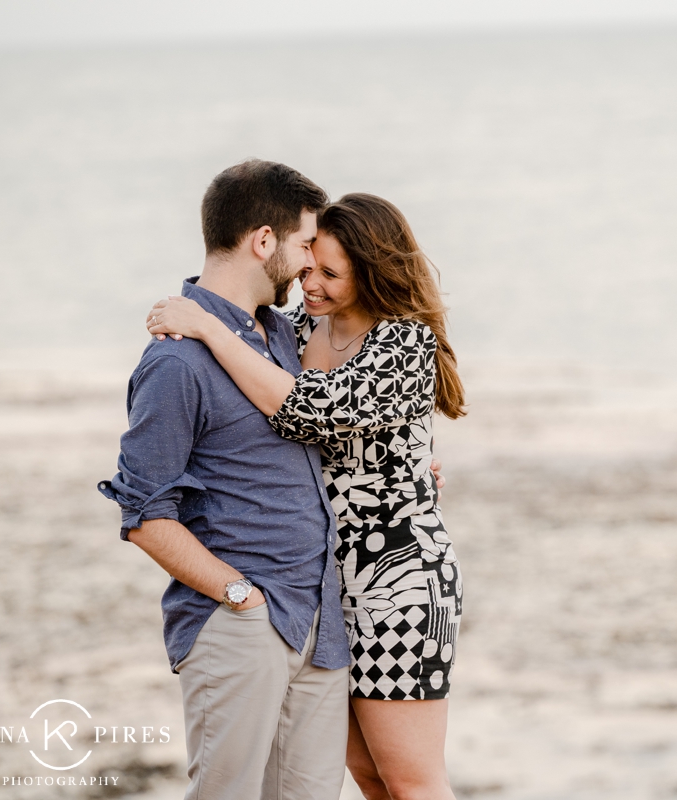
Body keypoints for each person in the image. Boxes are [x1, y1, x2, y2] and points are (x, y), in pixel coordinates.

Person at [146, 192, 465, 800]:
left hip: (397, 581)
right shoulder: (293, 331)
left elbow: (305, 410)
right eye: (309, 265)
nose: (309, 283)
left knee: (412, 780)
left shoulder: (403, 342)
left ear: (374, 272)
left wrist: (206, 325)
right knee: (368, 775)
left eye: (331, 275)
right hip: (319, 588)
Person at [98, 159, 352, 800]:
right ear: (263, 241)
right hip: (244, 623)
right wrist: (239, 596)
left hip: (319, 626)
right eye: (302, 245)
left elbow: (335, 416)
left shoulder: (285, 340)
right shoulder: (176, 363)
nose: (307, 264)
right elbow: (144, 514)